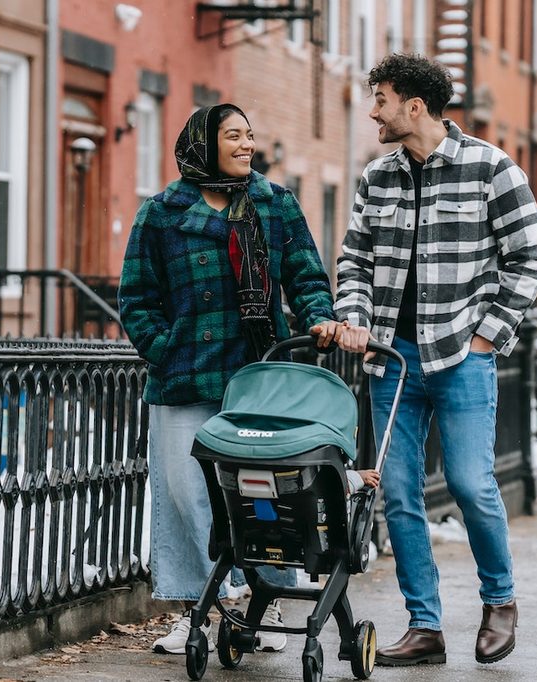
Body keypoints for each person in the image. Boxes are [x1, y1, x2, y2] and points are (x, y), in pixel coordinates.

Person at [334, 53, 537, 666]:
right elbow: (356, 261)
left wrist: (487, 337)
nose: (373, 110)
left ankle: (500, 600)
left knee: (471, 485)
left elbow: (528, 258)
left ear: (414, 106)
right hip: (391, 361)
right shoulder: (377, 178)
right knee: (398, 494)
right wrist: (354, 317)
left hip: (461, 357)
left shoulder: (492, 169)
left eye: (381, 99)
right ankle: (424, 626)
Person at [118, 103, 343, 655]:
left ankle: (262, 604)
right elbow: (137, 298)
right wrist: (163, 349)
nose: (247, 144)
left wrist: (318, 318)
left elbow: (307, 274)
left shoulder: (273, 204)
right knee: (183, 492)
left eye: (250, 136)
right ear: (203, 143)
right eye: (234, 136)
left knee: (264, 494)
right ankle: (198, 605)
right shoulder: (162, 213)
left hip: (260, 376)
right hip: (183, 375)